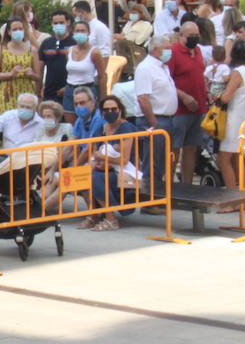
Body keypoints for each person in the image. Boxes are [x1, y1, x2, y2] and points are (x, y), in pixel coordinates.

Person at [83, 94, 142, 230]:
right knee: (83, 176)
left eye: (114, 109)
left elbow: (124, 160)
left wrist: (102, 158)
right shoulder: (101, 128)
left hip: (124, 173)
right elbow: (93, 151)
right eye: (106, 110)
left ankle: (111, 219)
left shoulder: (126, 128)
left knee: (95, 178)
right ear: (102, 112)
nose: (110, 112)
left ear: (120, 110)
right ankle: (94, 215)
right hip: (104, 169)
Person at [135, 34, 179, 198]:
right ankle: (150, 199)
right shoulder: (145, 68)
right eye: (166, 48)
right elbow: (143, 98)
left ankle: (157, 196)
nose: (170, 52)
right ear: (155, 50)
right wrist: (154, 123)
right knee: (152, 163)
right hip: (155, 120)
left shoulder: (163, 67)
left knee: (160, 162)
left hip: (166, 119)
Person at [168, 21, 209, 185]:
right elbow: (167, 81)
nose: (194, 39)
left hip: (198, 107)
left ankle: (187, 184)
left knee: (192, 147)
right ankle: (169, 184)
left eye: (196, 36)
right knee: (175, 148)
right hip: (180, 109)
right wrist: (183, 96)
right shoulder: (173, 53)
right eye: (190, 36)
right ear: (181, 36)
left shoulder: (198, 51)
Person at [216, 39, 245, 197]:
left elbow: (226, 97)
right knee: (239, 159)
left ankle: (232, 198)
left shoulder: (237, 72)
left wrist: (218, 95)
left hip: (234, 120)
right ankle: (244, 197)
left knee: (223, 160)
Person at [0, 16, 39, 115]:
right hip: (7, 93)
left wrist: (31, 74)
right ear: (8, 32)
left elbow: (38, 77)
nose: (18, 31)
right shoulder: (2, 48)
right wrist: (10, 74)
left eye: (20, 29)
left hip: (27, 92)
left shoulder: (32, 50)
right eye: (15, 29)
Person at [63, 16, 105, 116]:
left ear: (88, 33)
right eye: (77, 31)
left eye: (83, 31)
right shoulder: (69, 50)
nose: (80, 33)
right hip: (70, 90)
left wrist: (103, 98)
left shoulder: (95, 52)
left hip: (87, 89)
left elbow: (102, 76)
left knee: (89, 119)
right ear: (73, 32)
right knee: (71, 124)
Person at [37, 9, 75, 103]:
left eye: (61, 22)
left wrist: (69, 87)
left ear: (68, 22)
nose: (58, 25)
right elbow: (40, 69)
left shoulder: (75, 43)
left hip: (70, 91)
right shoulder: (46, 43)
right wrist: (38, 90)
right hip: (49, 93)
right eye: (55, 23)